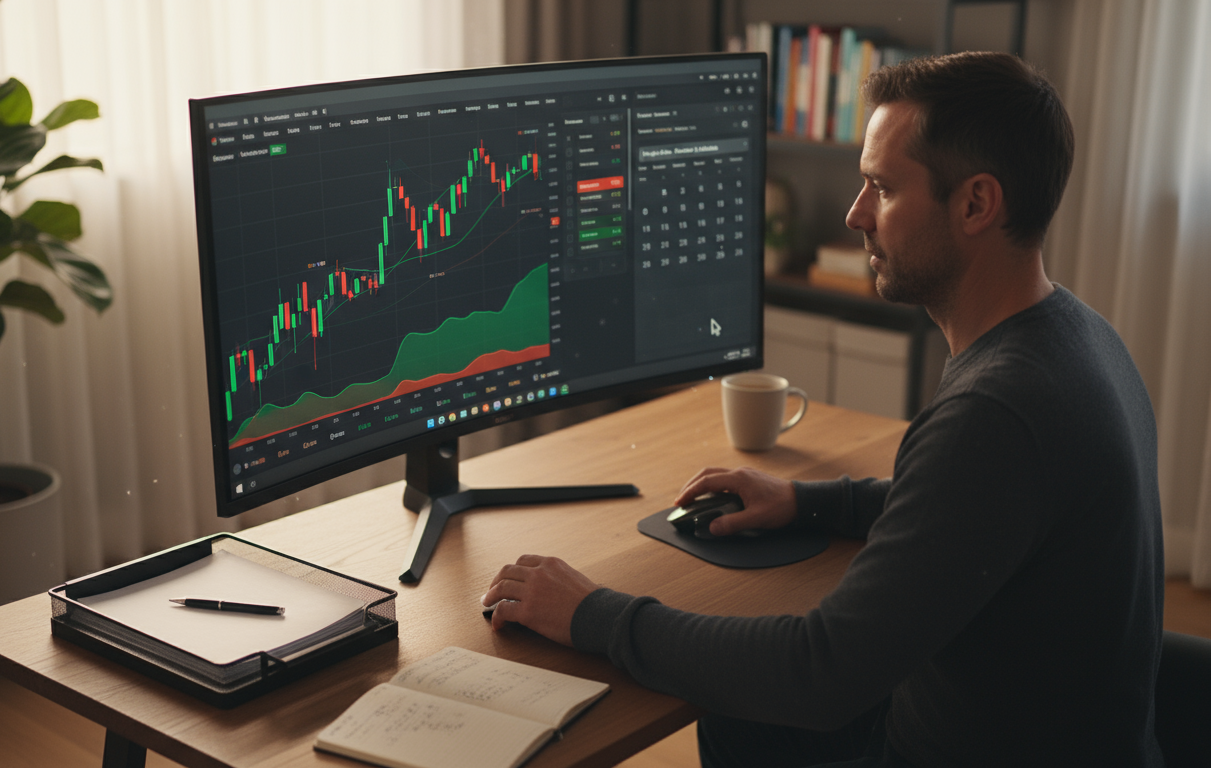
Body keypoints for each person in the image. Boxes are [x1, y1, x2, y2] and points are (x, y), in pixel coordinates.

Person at [482, 51, 1165, 767]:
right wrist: (808, 502)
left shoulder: (997, 412)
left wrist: (592, 612)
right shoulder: (1078, 336)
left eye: (881, 188)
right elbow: (969, 513)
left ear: (975, 204)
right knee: (738, 725)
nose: (854, 214)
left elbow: (818, 674)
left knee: (747, 711)